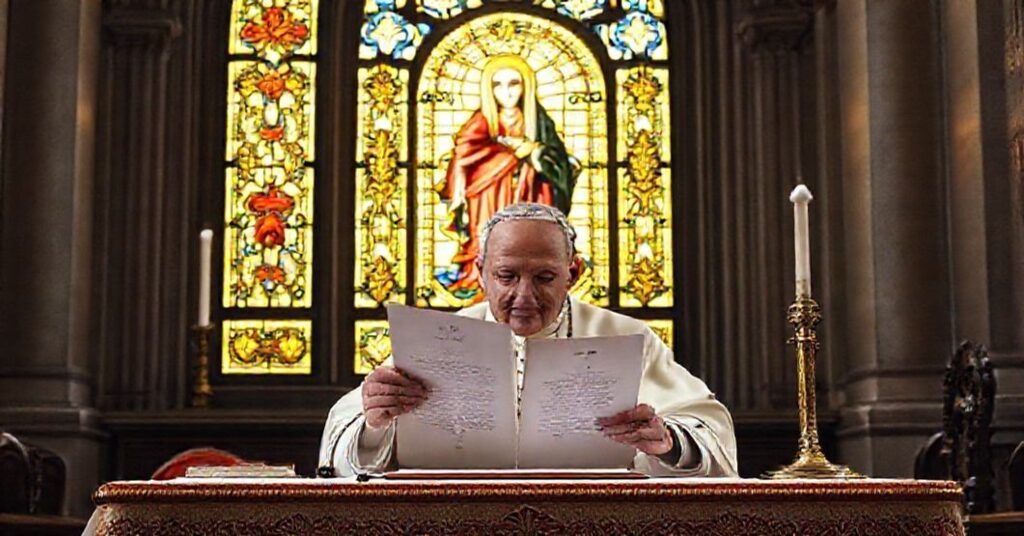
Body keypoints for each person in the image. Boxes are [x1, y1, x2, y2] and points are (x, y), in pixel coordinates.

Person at [320, 203, 737, 477]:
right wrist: (376, 421)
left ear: (572, 273)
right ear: (481, 270)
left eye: (544, 278)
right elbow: (349, 442)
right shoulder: (437, 342)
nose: (524, 296)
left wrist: (667, 443)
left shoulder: (628, 338)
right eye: (506, 277)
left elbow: (705, 429)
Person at [436, 55, 576, 301]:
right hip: (487, 199)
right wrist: (506, 157)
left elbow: (561, 166)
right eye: (497, 85)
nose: (507, 92)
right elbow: (464, 157)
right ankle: (485, 281)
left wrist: (535, 153)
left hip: (533, 195)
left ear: (526, 87)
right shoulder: (480, 123)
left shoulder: (540, 123)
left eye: (514, 84)